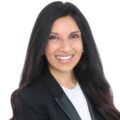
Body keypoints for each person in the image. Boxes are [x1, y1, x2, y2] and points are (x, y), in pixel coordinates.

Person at [10, 1, 120, 120]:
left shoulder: (95, 88)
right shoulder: (29, 98)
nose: (66, 48)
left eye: (73, 36)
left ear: (84, 43)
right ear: (41, 45)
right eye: (53, 38)